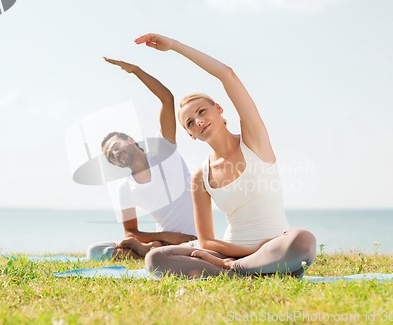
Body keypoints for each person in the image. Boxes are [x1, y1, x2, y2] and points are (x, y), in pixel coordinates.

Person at [135, 34, 317, 278]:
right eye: (190, 122)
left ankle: (236, 270)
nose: (198, 121)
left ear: (218, 110)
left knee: (303, 240)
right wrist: (242, 253)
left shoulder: (253, 141)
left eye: (202, 111)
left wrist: (175, 46)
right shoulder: (201, 176)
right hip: (231, 252)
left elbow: (227, 74)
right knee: (156, 257)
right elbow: (207, 241)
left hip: (275, 246)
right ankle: (251, 270)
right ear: (190, 134)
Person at [86, 58, 197, 260]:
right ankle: (151, 248)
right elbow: (130, 232)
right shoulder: (126, 188)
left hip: (196, 239)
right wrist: (167, 236)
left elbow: (167, 99)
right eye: (111, 156)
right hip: (167, 241)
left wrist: (136, 70)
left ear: (130, 140)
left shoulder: (164, 151)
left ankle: (147, 250)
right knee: (94, 250)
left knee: (163, 253)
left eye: (115, 147)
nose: (115, 154)